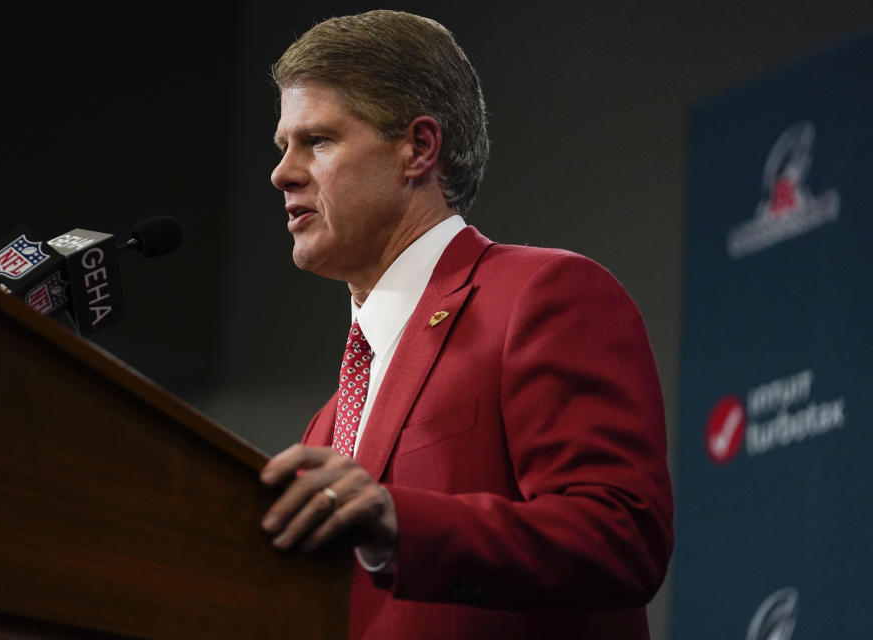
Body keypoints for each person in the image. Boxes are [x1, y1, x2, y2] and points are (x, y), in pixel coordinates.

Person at [259, 10, 673, 640]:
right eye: (283, 146)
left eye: (317, 141)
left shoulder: (542, 295)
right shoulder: (327, 420)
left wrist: (401, 520)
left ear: (419, 148)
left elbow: (620, 536)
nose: (282, 172)